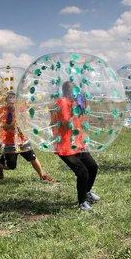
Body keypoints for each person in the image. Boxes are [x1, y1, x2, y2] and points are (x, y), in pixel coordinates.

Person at [52, 81, 99, 211]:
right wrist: (75, 110)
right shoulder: (61, 102)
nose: (76, 93)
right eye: (74, 91)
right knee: (82, 172)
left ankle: (87, 192)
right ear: (68, 91)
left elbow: (81, 120)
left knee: (93, 167)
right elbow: (67, 123)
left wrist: (82, 105)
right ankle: (81, 202)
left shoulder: (74, 102)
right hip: (65, 146)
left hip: (77, 143)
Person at [0, 91, 55, 183]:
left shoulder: (21, 109)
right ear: (5, 100)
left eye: (14, 98)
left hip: (22, 139)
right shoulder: (2, 111)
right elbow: (5, 127)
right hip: (9, 142)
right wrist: (15, 122)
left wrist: (22, 119)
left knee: (32, 157)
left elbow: (26, 122)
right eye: (9, 98)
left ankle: (42, 175)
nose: (12, 101)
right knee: (11, 166)